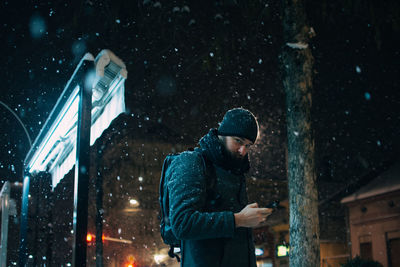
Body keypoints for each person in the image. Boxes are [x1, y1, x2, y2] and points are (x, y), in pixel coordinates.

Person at [168, 107, 272, 267]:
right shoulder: (192, 162)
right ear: (221, 135)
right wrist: (239, 219)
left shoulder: (236, 171)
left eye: (248, 145)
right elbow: (183, 223)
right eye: (238, 141)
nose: (243, 150)